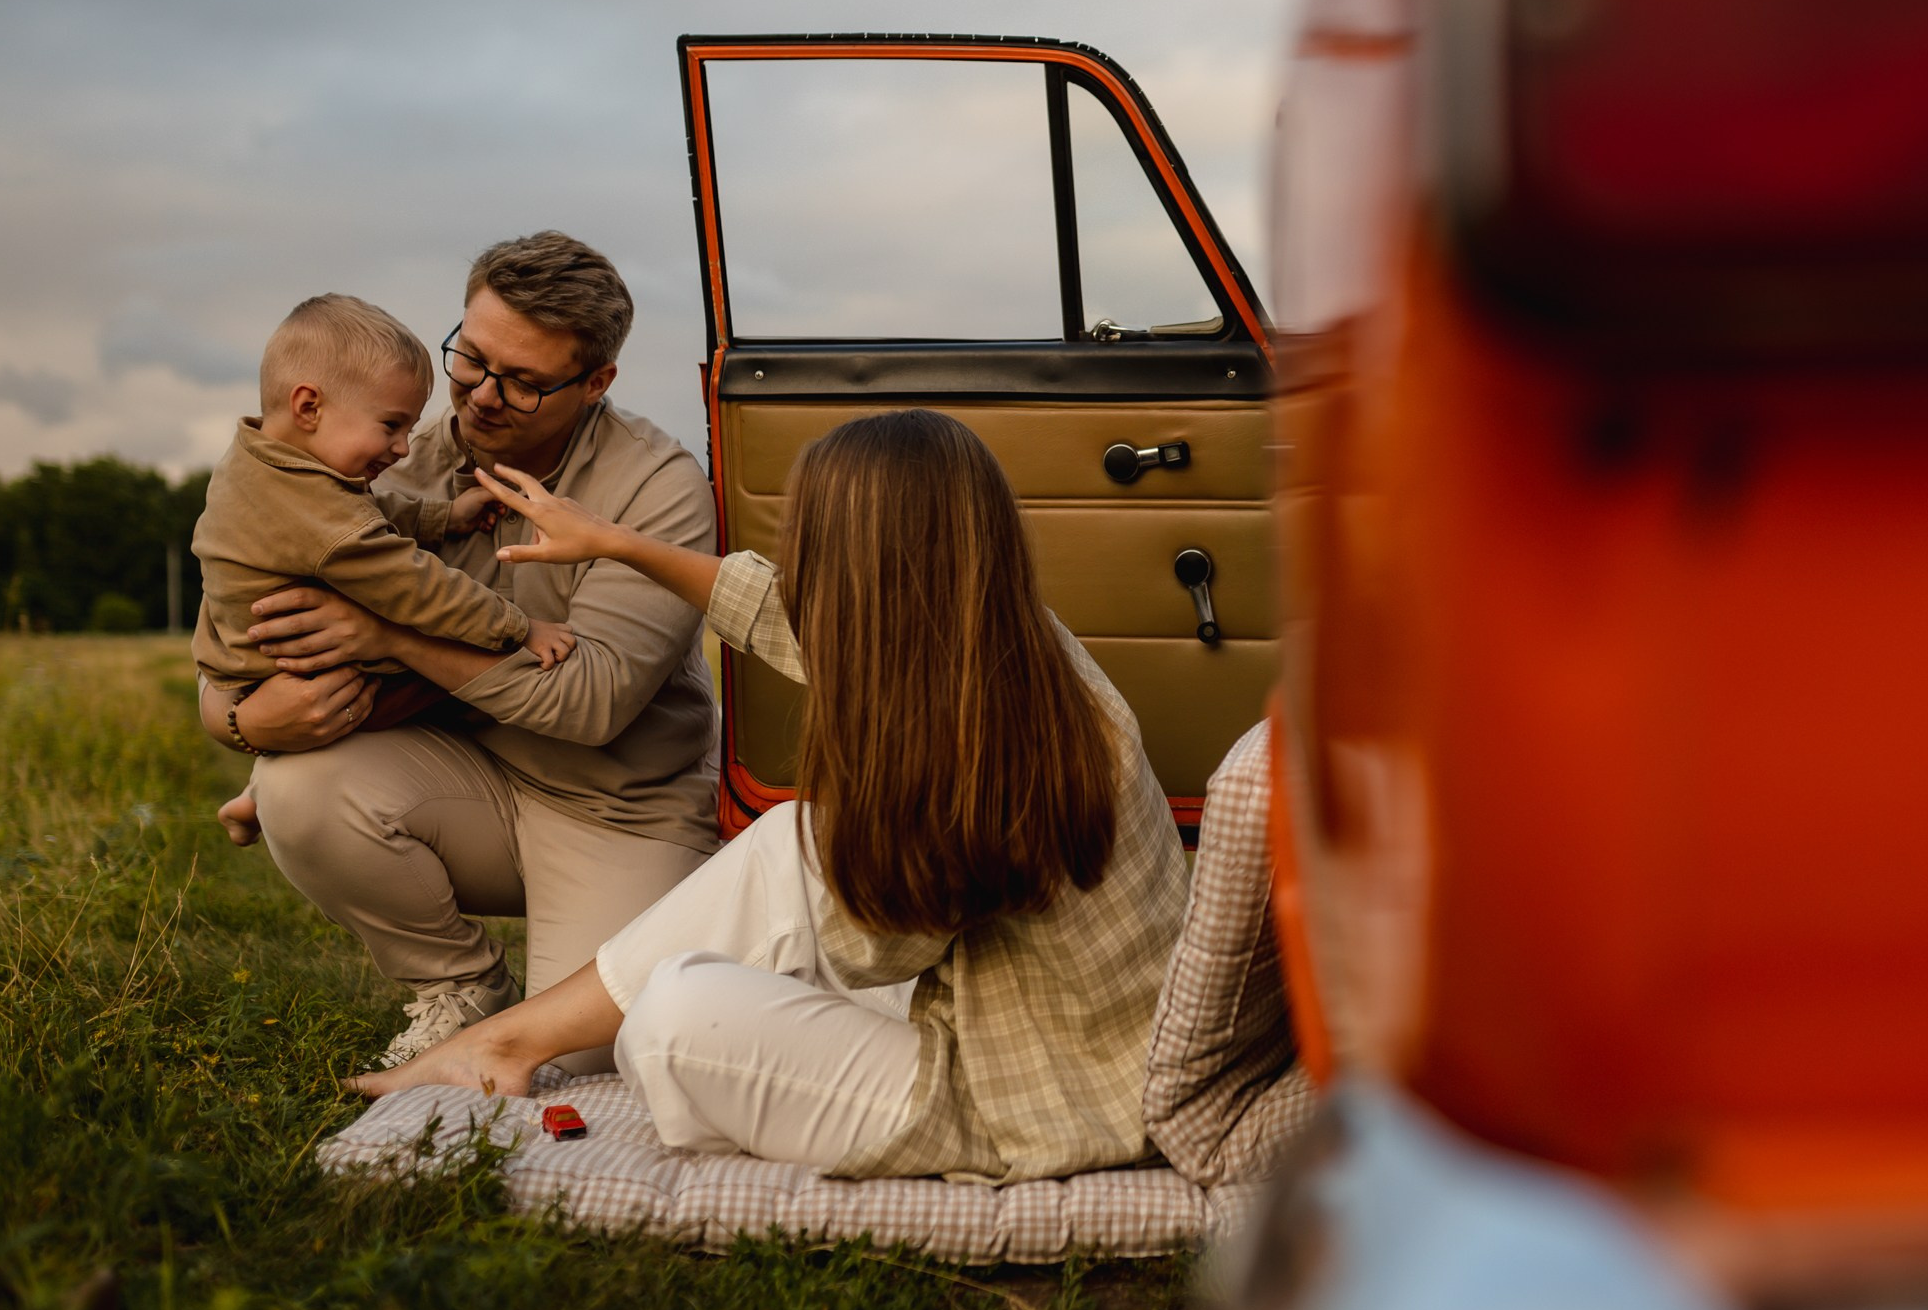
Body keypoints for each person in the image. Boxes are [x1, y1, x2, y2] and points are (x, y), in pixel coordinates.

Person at [352, 410, 1190, 1185]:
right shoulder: (997, 639)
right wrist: (617, 542)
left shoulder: (975, 743)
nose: (798, 558)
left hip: (1027, 1096)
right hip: (1056, 1022)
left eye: (809, 536)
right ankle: (503, 1040)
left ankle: (510, 1037)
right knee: (796, 835)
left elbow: (876, 952)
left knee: (671, 1017)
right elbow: (780, 612)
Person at [204, 232, 721, 1072]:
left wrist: (384, 635)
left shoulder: (657, 487)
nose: (481, 397)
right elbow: (236, 624)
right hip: (465, 777)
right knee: (297, 786)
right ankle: (458, 985)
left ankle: (699, 905)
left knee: (586, 1065)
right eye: (471, 359)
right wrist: (236, 715)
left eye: (523, 382)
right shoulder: (388, 453)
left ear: (597, 383)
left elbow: (588, 704)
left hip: (619, 804)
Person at [197, 295, 577, 843]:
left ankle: (256, 796)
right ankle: (265, 795)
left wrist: (445, 516)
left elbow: (360, 515)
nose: (402, 448)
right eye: (390, 425)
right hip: (302, 670)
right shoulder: (324, 518)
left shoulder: (261, 459)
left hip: (244, 659)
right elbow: (419, 585)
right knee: (449, 671)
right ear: (309, 406)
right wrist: (520, 629)